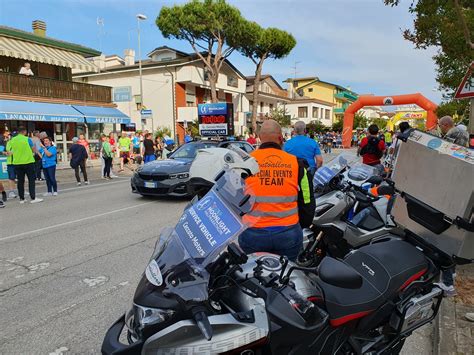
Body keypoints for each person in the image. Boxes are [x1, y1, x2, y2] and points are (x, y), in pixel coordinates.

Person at [239, 119, 315, 261]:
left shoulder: (244, 163)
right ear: (281, 138)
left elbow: (233, 197)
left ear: (260, 138)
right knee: (286, 276)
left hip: (252, 232)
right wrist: (301, 226)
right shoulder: (297, 164)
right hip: (288, 233)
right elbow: (308, 200)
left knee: (252, 278)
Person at [8, 126, 43, 203]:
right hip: (28, 162)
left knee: (20, 181)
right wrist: (35, 154)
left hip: (17, 163)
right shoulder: (27, 139)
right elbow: (34, 149)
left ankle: (22, 199)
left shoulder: (12, 140)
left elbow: (10, 150)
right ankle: (33, 198)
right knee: (31, 180)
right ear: (24, 132)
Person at [4, 130, 17, 198]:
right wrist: (5, 153)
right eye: (12, 136)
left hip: (18, 162)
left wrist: (7, 152)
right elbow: (8, 152)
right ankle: (11, 192)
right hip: (11, 163)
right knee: (11, 178)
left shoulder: (17, 142)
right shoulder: (8, 142)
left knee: (21, 177)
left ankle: (23, 190)